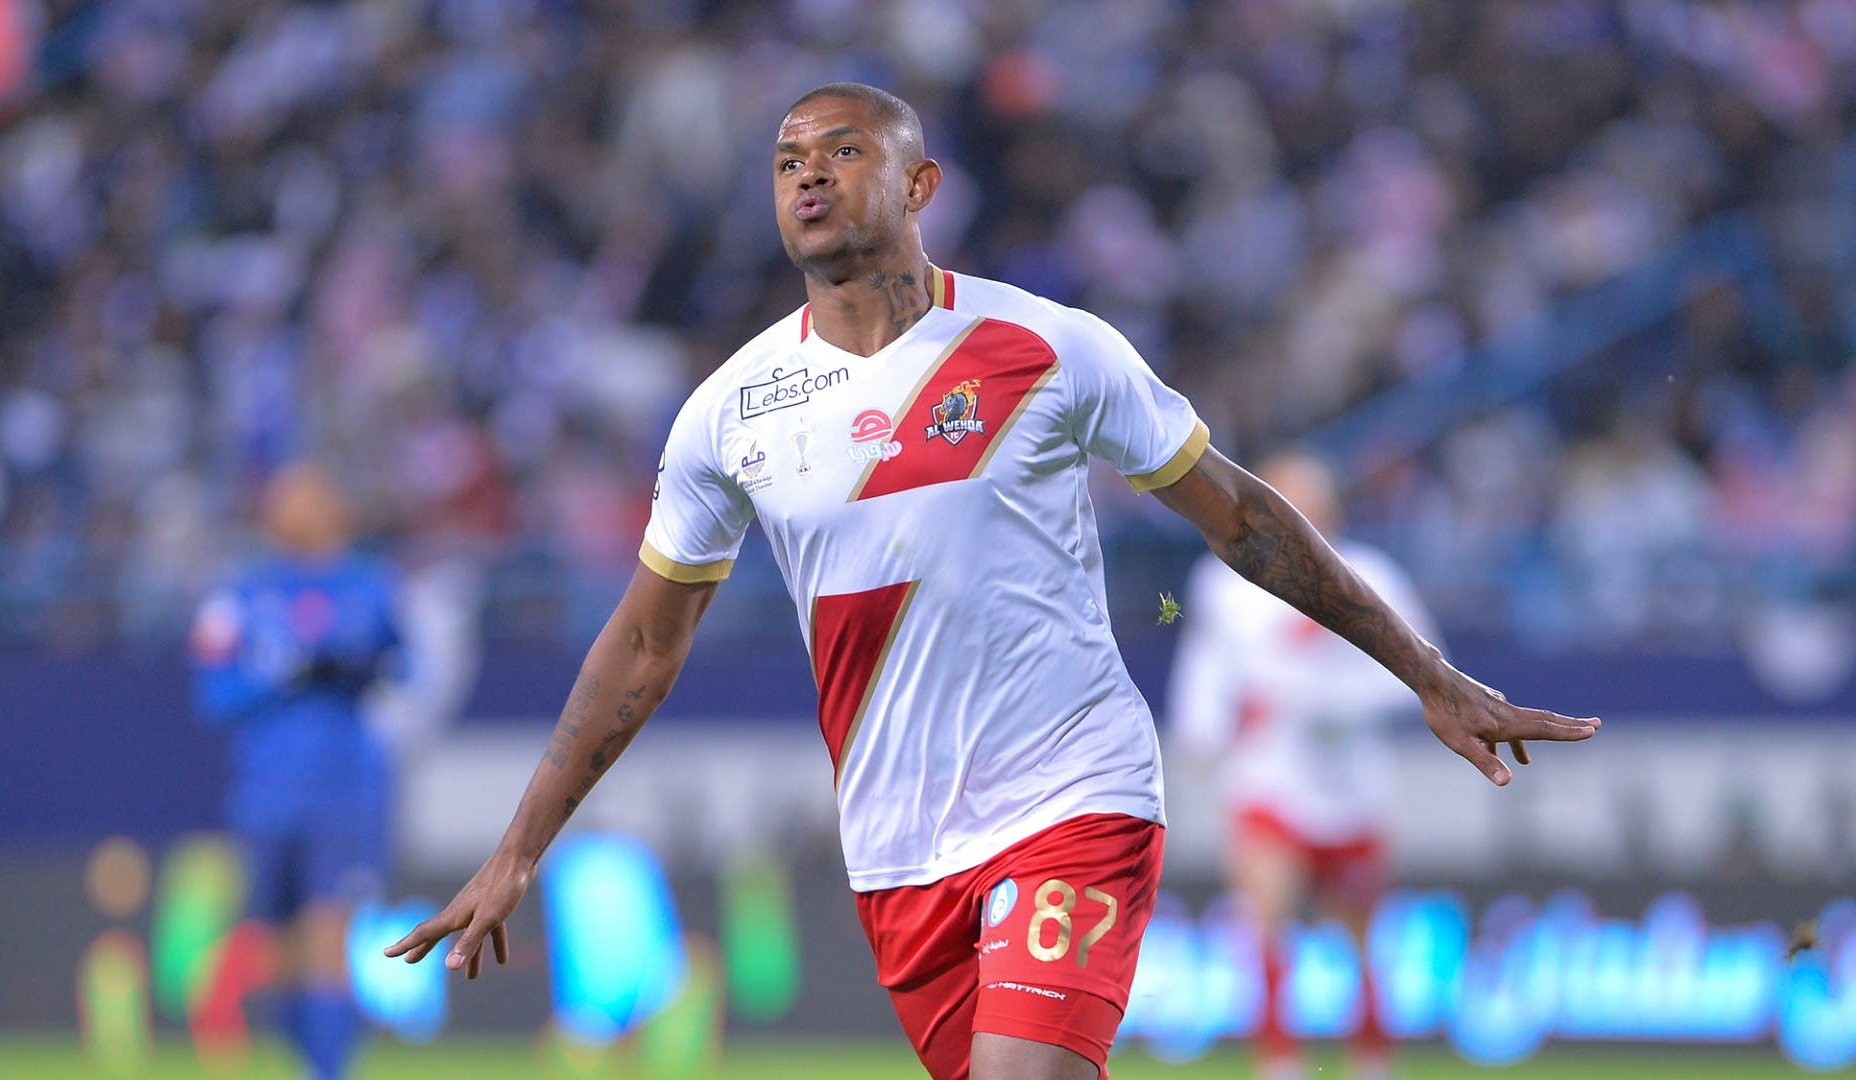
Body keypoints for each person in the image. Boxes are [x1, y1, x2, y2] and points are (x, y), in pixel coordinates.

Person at [385, 83, 1599, 1080]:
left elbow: (1242, 520)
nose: (808, 176)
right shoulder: (729, 413)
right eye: (788, 160)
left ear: (919, 186)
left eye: (843, 152)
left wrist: (1426, 674)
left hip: (1075, 794)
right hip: (898, 847)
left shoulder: (1049, 347)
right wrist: (518, 849)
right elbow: (647, 644)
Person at [1168, 451, 1434, 1080]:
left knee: (1361, 939)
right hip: (1269, 779)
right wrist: (1199, 732)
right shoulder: (1225, 584)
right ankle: (1279, 1062)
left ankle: (1371, 1059)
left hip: (1352, 787)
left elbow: (1426, 673)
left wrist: (1334, 707)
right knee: (1265, 926)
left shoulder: (1373, 576)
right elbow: (1208, 668)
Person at [192, 463, 404, 1080]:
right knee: (277, 940)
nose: (300, 512)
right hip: (265, 793)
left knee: (329, 931)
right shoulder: (239, 597)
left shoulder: (367, 587)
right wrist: (285, 676)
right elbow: (214, 697)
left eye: (313, 500)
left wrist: (359, 666)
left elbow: (404, 665)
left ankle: (330, 1070)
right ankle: (303, 1060)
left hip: (342, 789)